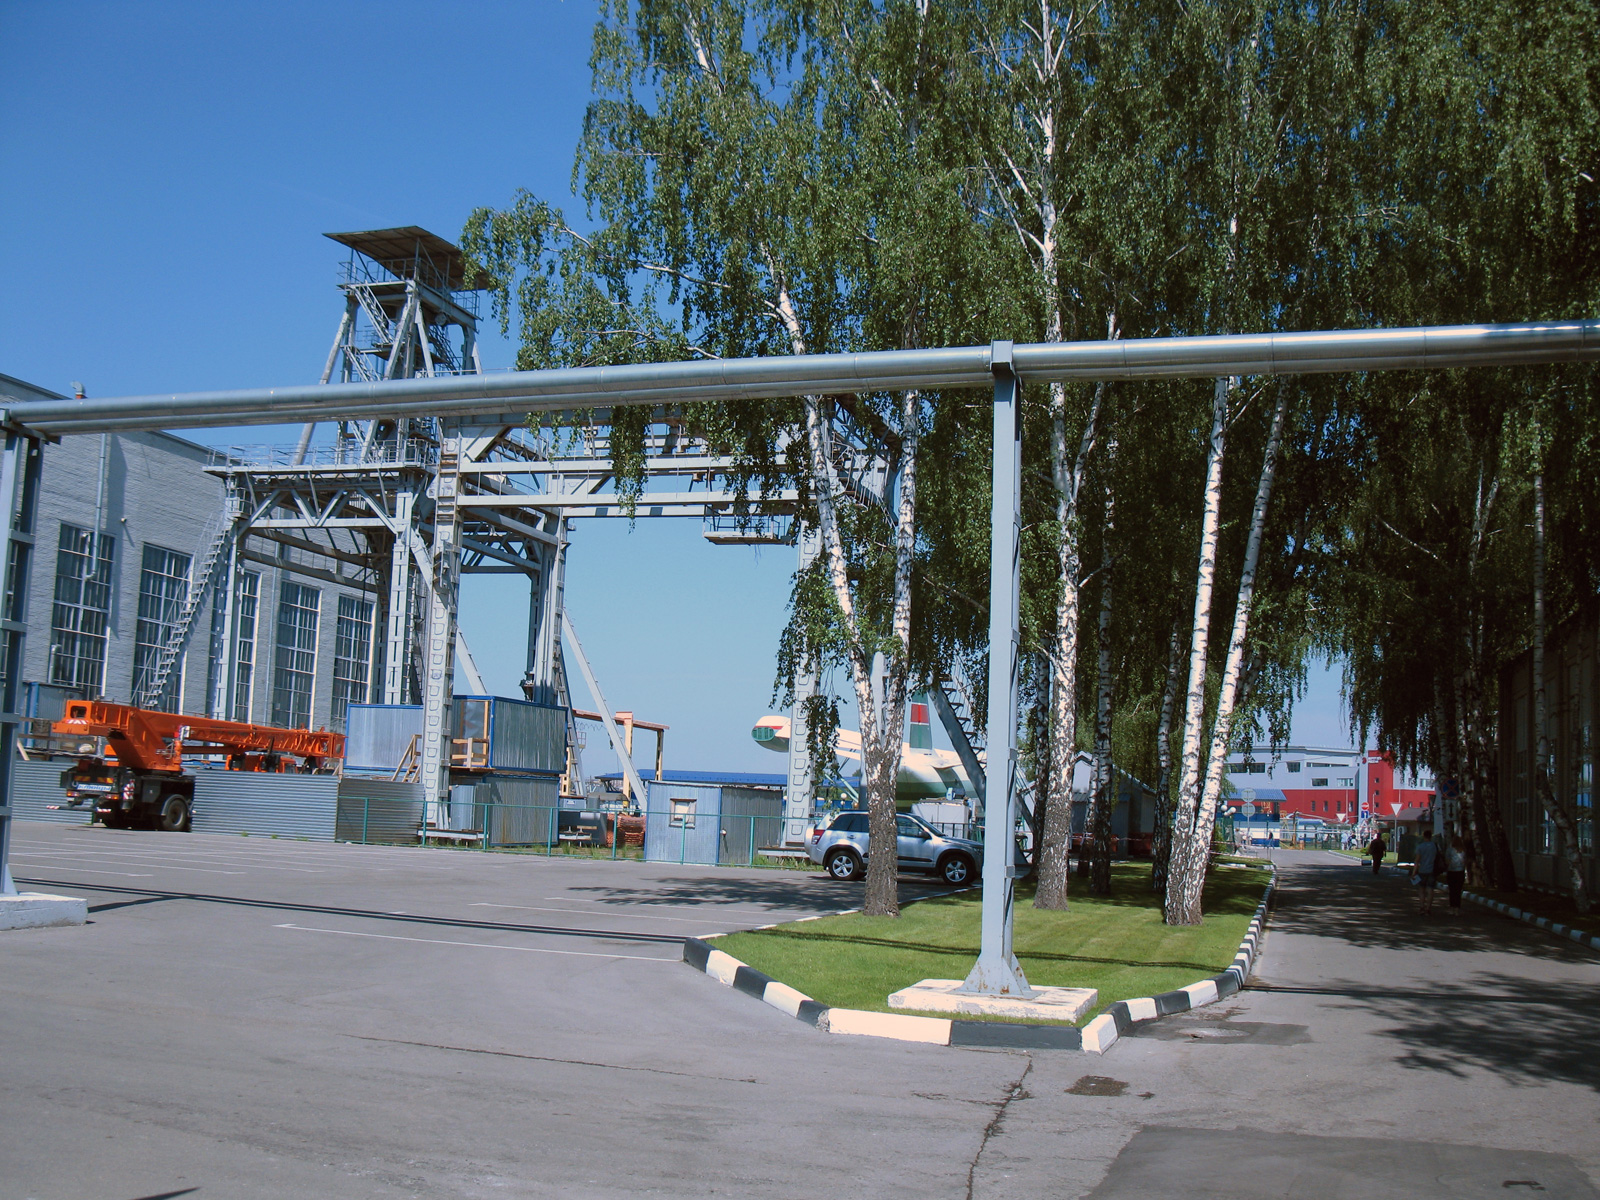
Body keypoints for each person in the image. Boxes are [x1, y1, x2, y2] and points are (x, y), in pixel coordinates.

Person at [1414, 830, 1440, 916]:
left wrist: (1414, 872)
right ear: (1431, 836)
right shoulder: (1434, 846)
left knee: (1421, 889)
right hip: (1432, 870)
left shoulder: (1420, 847)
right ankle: (1428, 908)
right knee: (1430, 890)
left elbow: (1417, 860)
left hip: (1422, 870)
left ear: (1424, 836)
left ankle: (1422, 907)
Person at [1445, 835, 1467, 915]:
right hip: (1460, 872)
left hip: (1451, 872)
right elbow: (1465, 861)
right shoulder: (1463, 850)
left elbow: (1447, 861)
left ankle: (1452, 908)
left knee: (1452, 890)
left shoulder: (1450, 850)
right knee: (1458, 891)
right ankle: (1457, 909)